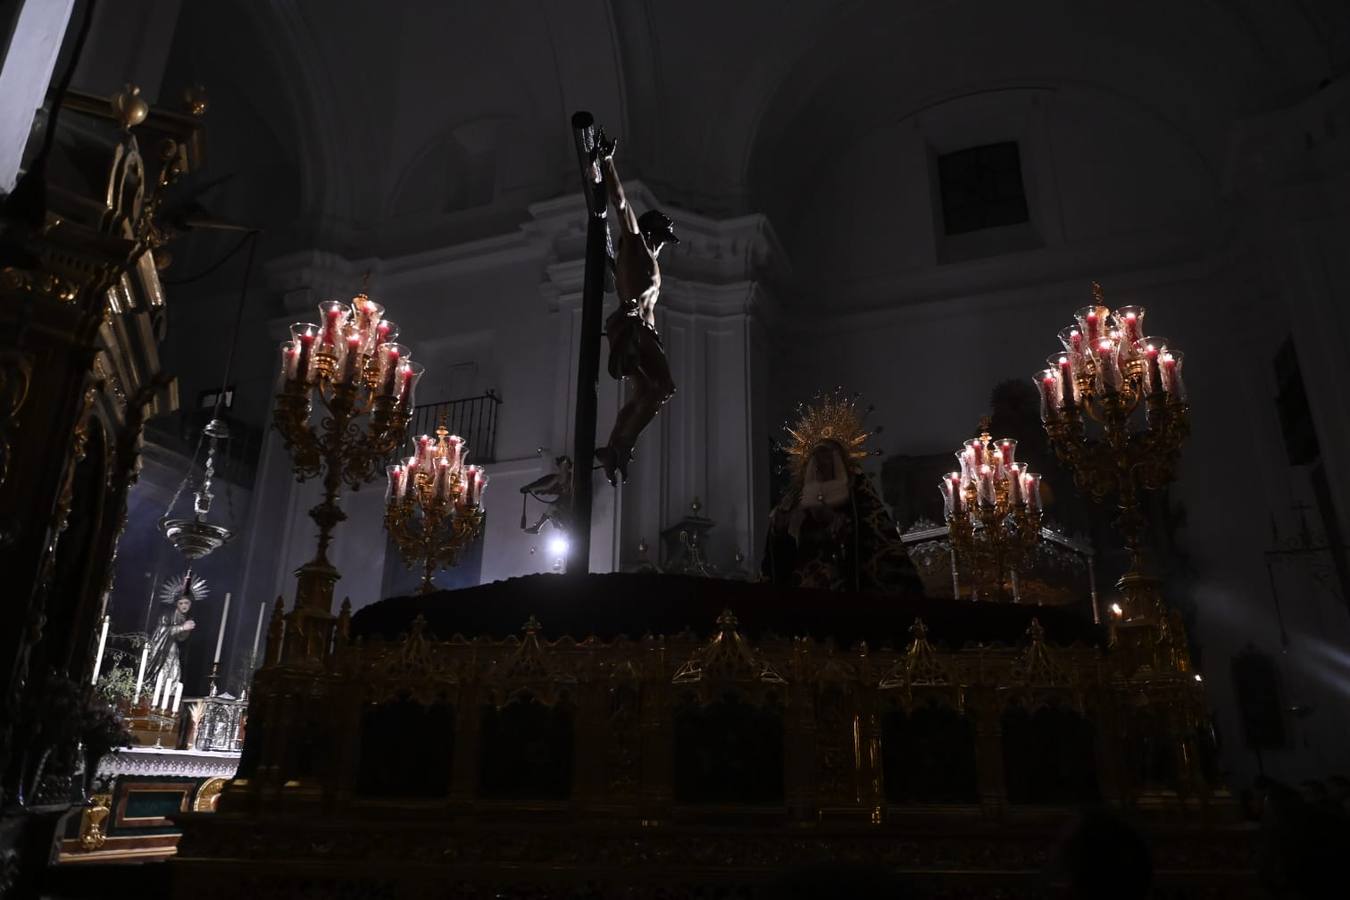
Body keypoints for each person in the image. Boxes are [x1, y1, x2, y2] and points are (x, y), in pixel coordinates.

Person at [591, 132, 679, 486]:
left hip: (645, 332)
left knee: (648, 393)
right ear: (651, 232)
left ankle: (615, 449)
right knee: (663, 387)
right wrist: (608, 162)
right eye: (661, 237)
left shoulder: (650, 261)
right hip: (634, 328)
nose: (662, 245)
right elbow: (621, 202)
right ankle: (619, 446)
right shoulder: (635, 242)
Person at [144, 575, 197, 693]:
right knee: (162, 676)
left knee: (174, 675)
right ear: (176, 604)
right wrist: (182, 627)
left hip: (173, 651)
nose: (184, 606)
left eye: (186, 603)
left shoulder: (185, 617)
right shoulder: (167, 615)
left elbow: (182, 638)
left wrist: (185, 629)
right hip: (161, 652)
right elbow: (160, 631)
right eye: (181, 603)